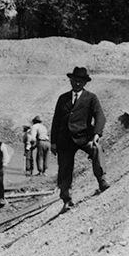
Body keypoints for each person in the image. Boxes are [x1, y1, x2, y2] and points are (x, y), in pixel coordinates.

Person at [51, 66, 109, 210]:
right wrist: (53, 142)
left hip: (84, 137)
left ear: (85, 83)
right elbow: (56, 121)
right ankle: (66, 199)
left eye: (80, 81)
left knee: (97, 149)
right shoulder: (62, 98)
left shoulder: (91, 98)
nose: (77, 83)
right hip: (64, 140)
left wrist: (97, 134)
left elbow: (100, 116)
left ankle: (101, 180)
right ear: (71, 80)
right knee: (64, 169)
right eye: (75, 80)